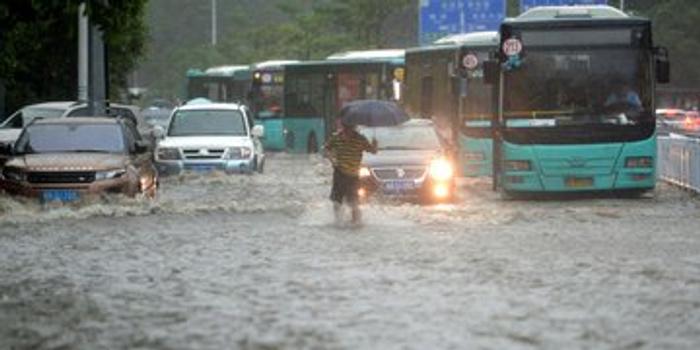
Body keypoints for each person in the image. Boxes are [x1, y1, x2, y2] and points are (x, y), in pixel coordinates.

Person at [324, 121, 378, 226]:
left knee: (354, 202)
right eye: (345, 129)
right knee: (336, 201)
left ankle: (356, 222)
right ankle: (338, 221)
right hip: (339, 173)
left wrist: (375, 145)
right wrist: (332, 159)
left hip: (353, 175)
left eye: (350, 129)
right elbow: (326, 149)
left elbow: (373, 151)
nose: (347, 132)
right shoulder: (336, 138)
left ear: (353, 128)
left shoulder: (360, 139)